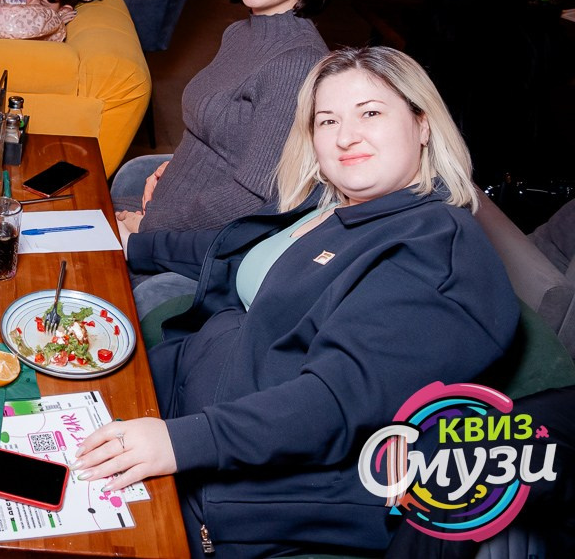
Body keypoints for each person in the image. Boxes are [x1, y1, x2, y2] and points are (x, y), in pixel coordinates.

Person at [80, 46, 519, 559]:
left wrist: (180, 442)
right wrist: (133, 255)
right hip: (179, 398)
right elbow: (234, 252)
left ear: (423, 125)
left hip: (228, 488)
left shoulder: (433, 248)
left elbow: (333, 402)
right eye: (326, 120)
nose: (345, 136)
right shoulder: (335, 199)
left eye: (370, 113)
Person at [110, 0, 335, 313]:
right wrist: (170, 168)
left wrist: (152, 229)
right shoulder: (242, 33)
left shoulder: (296, 62)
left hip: (200, 241)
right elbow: (213, 132)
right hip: (169, 207)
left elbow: (253, 197)